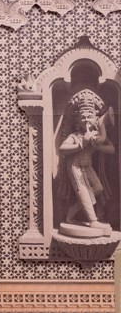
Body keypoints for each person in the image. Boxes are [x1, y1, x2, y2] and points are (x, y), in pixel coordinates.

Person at [58, 89, 115, 234]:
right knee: (83, 191)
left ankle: (71, 213)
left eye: (90, 116)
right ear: (77, 121)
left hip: (87, 167)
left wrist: (98, 146)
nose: (87, 120)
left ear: (95, 119)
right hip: (75, 167)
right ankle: (93, 220)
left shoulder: (96, 135)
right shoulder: (75, 136)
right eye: (83, 117)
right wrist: (81, 144)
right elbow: (62, 149)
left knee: (98, 189)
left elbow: (112, 149)